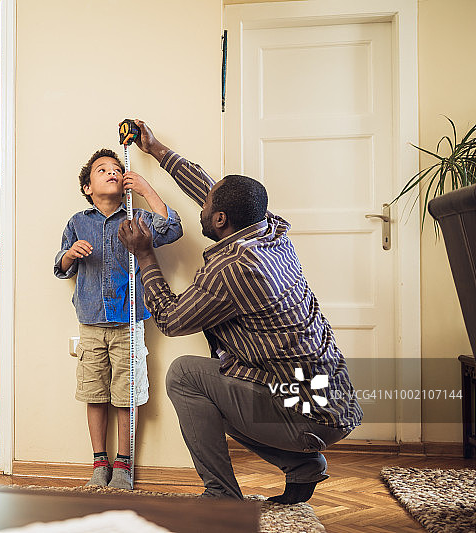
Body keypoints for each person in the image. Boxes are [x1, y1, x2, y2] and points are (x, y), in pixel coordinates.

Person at [117, 120, 362, 503]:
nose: (202, 206)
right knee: (223, 380)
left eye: (207, 206)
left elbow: (170, 320)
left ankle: (221, 496)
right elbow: (212, 190)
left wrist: (145, 255)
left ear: (220, 220)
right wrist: (157, 149)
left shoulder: (234, 268)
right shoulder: (268, 230)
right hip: (331, 403)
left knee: (185, 376)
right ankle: (302, 466)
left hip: (307, 414)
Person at [55, 148, 183, 489]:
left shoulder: (137, 219)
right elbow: (60, 267)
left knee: (127, 395)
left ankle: (124, 465)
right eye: (102, 170)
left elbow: (173, 229)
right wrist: (70, 254)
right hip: (91, 323)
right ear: (87, 187)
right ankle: (99, 463)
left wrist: (146, 189)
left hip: (129, 323)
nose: (112, 172)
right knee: (94, 394)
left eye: (116, 168)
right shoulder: (77, 222)